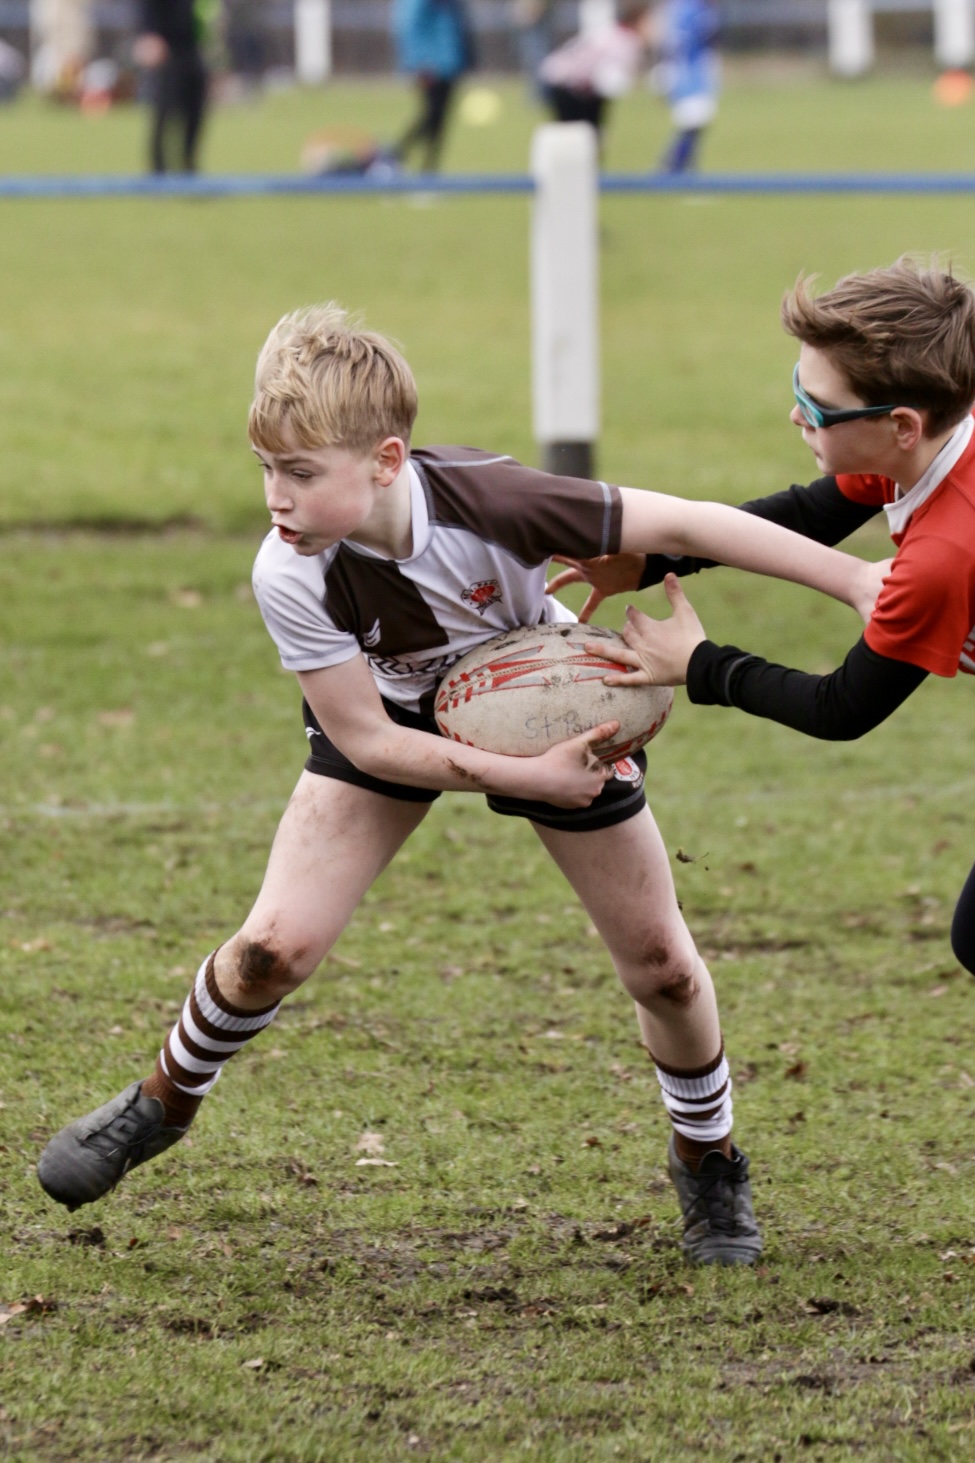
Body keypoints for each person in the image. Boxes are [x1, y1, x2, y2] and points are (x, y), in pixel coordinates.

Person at [36, 305, 878, 1266]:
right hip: (393, 719)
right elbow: (367, 739)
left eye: (301, 473)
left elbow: (688, 523)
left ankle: (708, 1161)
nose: (276, 497)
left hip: (541, 700)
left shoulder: (494, 499)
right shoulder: (290, 572)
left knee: (663, 968)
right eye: (265, 468)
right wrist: (520, 778)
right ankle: (162, 1101)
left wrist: (854, 582)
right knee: (271, 950)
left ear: (386, 461)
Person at [551, 258, 975, 971]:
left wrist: (700, 665)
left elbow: (842, 708)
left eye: (817, 408)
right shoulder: (932, 438)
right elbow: (811, 512)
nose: (795, 415)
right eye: (796, 388)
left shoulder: (945, 556)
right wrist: (651, 561)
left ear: (902, 425)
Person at [537, 3, 652, 150]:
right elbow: (611, 80)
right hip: (568, 84)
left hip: (567, 80)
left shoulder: (613, 33)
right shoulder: (626, 42)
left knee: (583, 136)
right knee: (579, 137)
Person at [390, 0, 475, 173]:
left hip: (449, 64)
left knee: (439, 120)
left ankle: (429, 169)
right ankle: (395, 154)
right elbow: (408, 27)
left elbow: (452, 27)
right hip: (430, 66)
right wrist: (420, 62)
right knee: (432, 115)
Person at [134, 0, 212, 175]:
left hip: (191, 46)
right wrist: (149, 34)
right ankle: (158, 168)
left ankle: (188, 163)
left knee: (196, 109)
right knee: (164, 108)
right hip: (166, 47)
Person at [649, 0, 720, 173]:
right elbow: (708, 37)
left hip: (678, 71)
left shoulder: (675, 8)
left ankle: (681, 165)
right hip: (690, 74)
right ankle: (674, 166)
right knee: (694, 123)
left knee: (693, 124)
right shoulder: (696, 11)